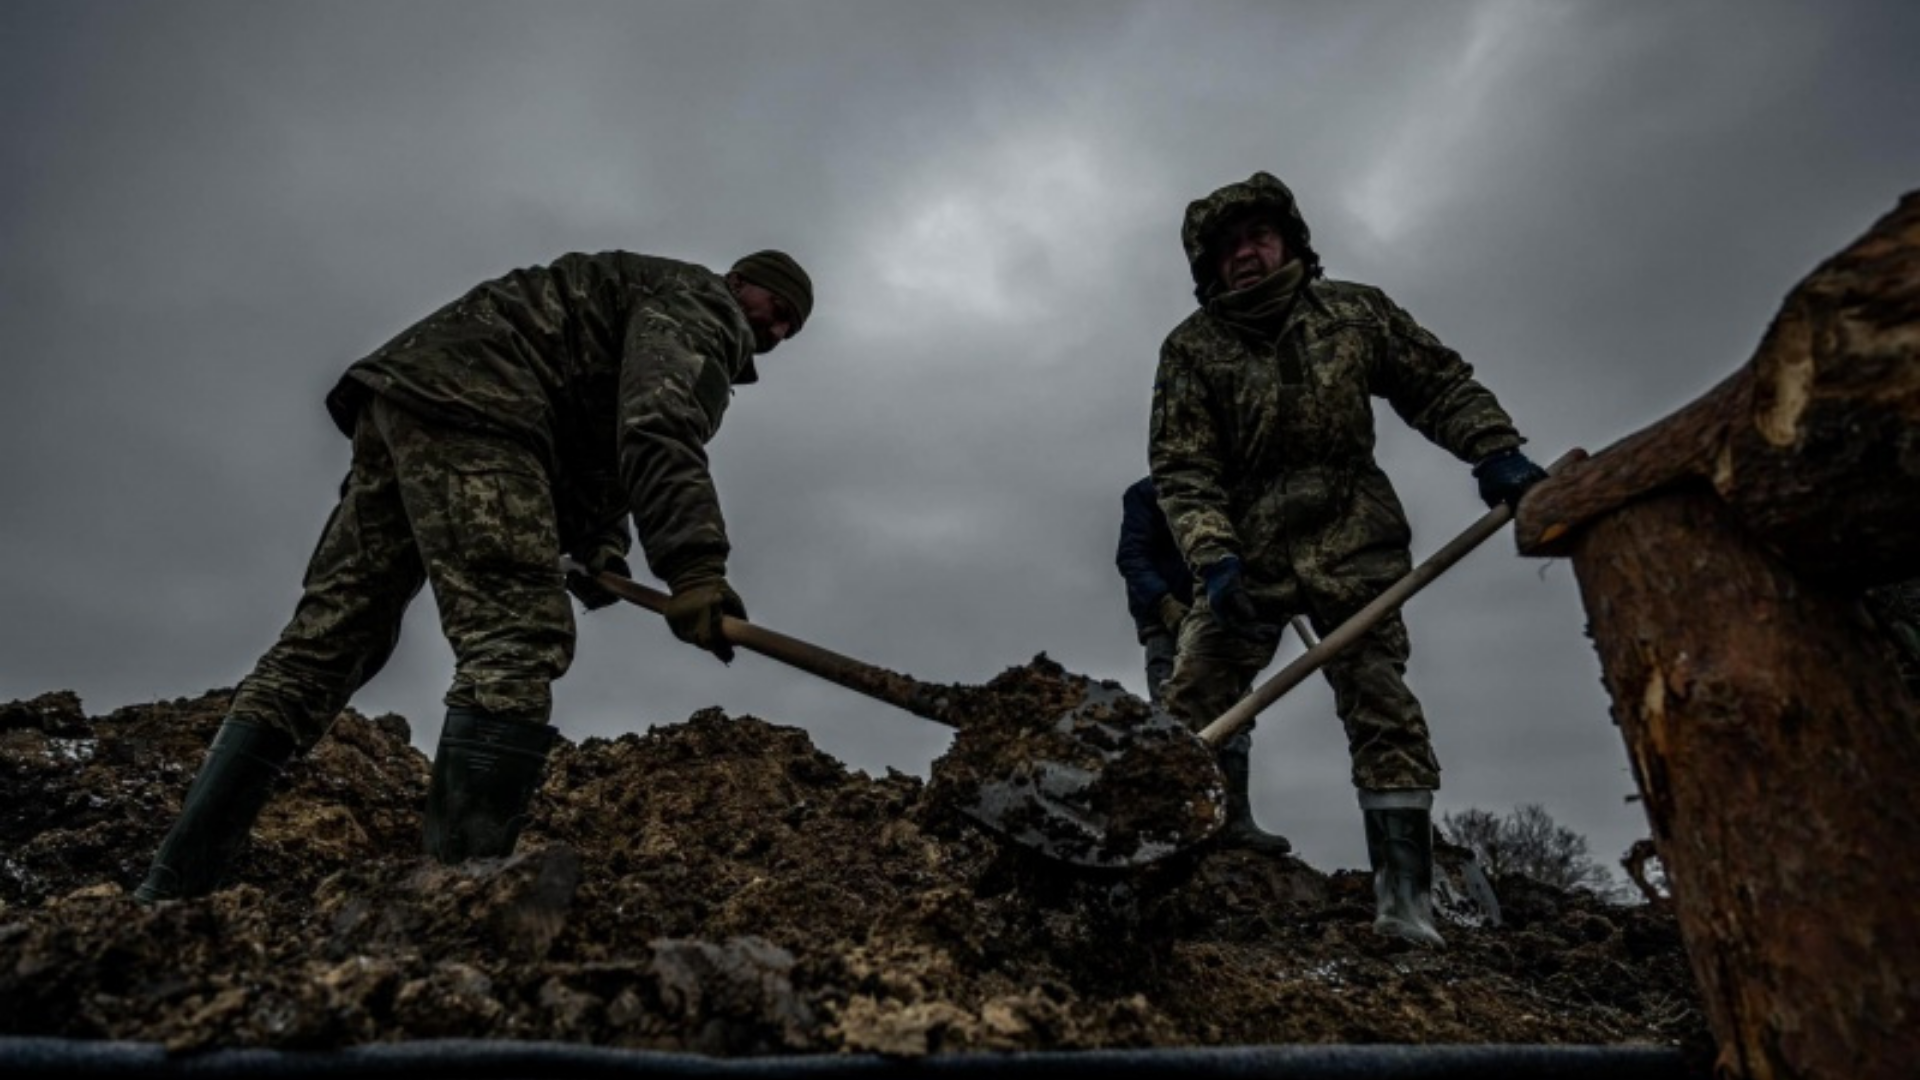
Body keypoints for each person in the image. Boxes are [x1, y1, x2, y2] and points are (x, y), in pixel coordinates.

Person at [134, 249, 813, 904]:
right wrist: (695, 567)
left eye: (790, 325)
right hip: (482, 405)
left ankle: (168, 895)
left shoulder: (649, 297)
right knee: (516, 641)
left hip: (409, 395)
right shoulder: (702, 306)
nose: (775, 329)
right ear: (738, 281)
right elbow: (657, 423)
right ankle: (452, 907)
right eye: (774, 306)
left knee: (326, 645)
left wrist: (601, 547)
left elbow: (599, 445)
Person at [1149, 172, 1547, 947]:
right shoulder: (1193, 349)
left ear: (1291, 240)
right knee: (1194, 699)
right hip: (1249, 552)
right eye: (1228, 248)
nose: (1247, 256)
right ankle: (1152, 875)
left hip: (1353, 538)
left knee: (1382, 706)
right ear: (1210, 267)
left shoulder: (1355, 313)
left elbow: (1438, 385)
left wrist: (1494, 450)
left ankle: (1405, 904)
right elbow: (1183, 466)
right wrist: (1214, 556)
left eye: (1259, 238)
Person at [1116, 475, 1291, 856]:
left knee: (1236, 714)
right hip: (1165, 621)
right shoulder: (1147, 496)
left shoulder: (1223, 494)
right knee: (1177, 709)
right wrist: (1163, 603)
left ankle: (1236, 822)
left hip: (1217, 619)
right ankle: (1175, 822)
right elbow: (1132, 556)